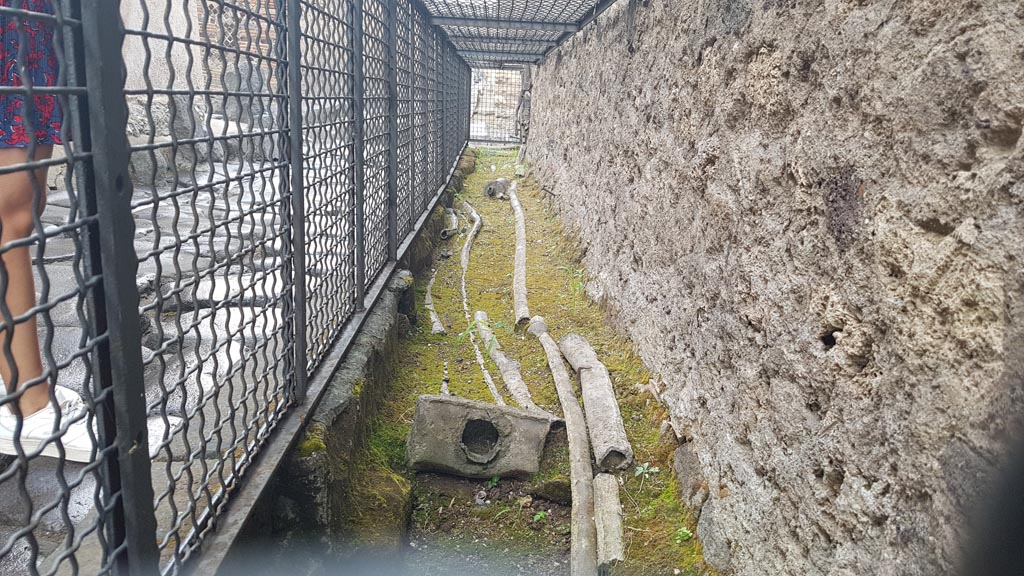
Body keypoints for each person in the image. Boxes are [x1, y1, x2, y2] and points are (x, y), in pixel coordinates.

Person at [0, 0, 95, 463]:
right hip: (12, 25)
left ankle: (12, 380)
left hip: (35, 24)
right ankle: (25, 399)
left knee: (26, 207)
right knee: (10, 216)